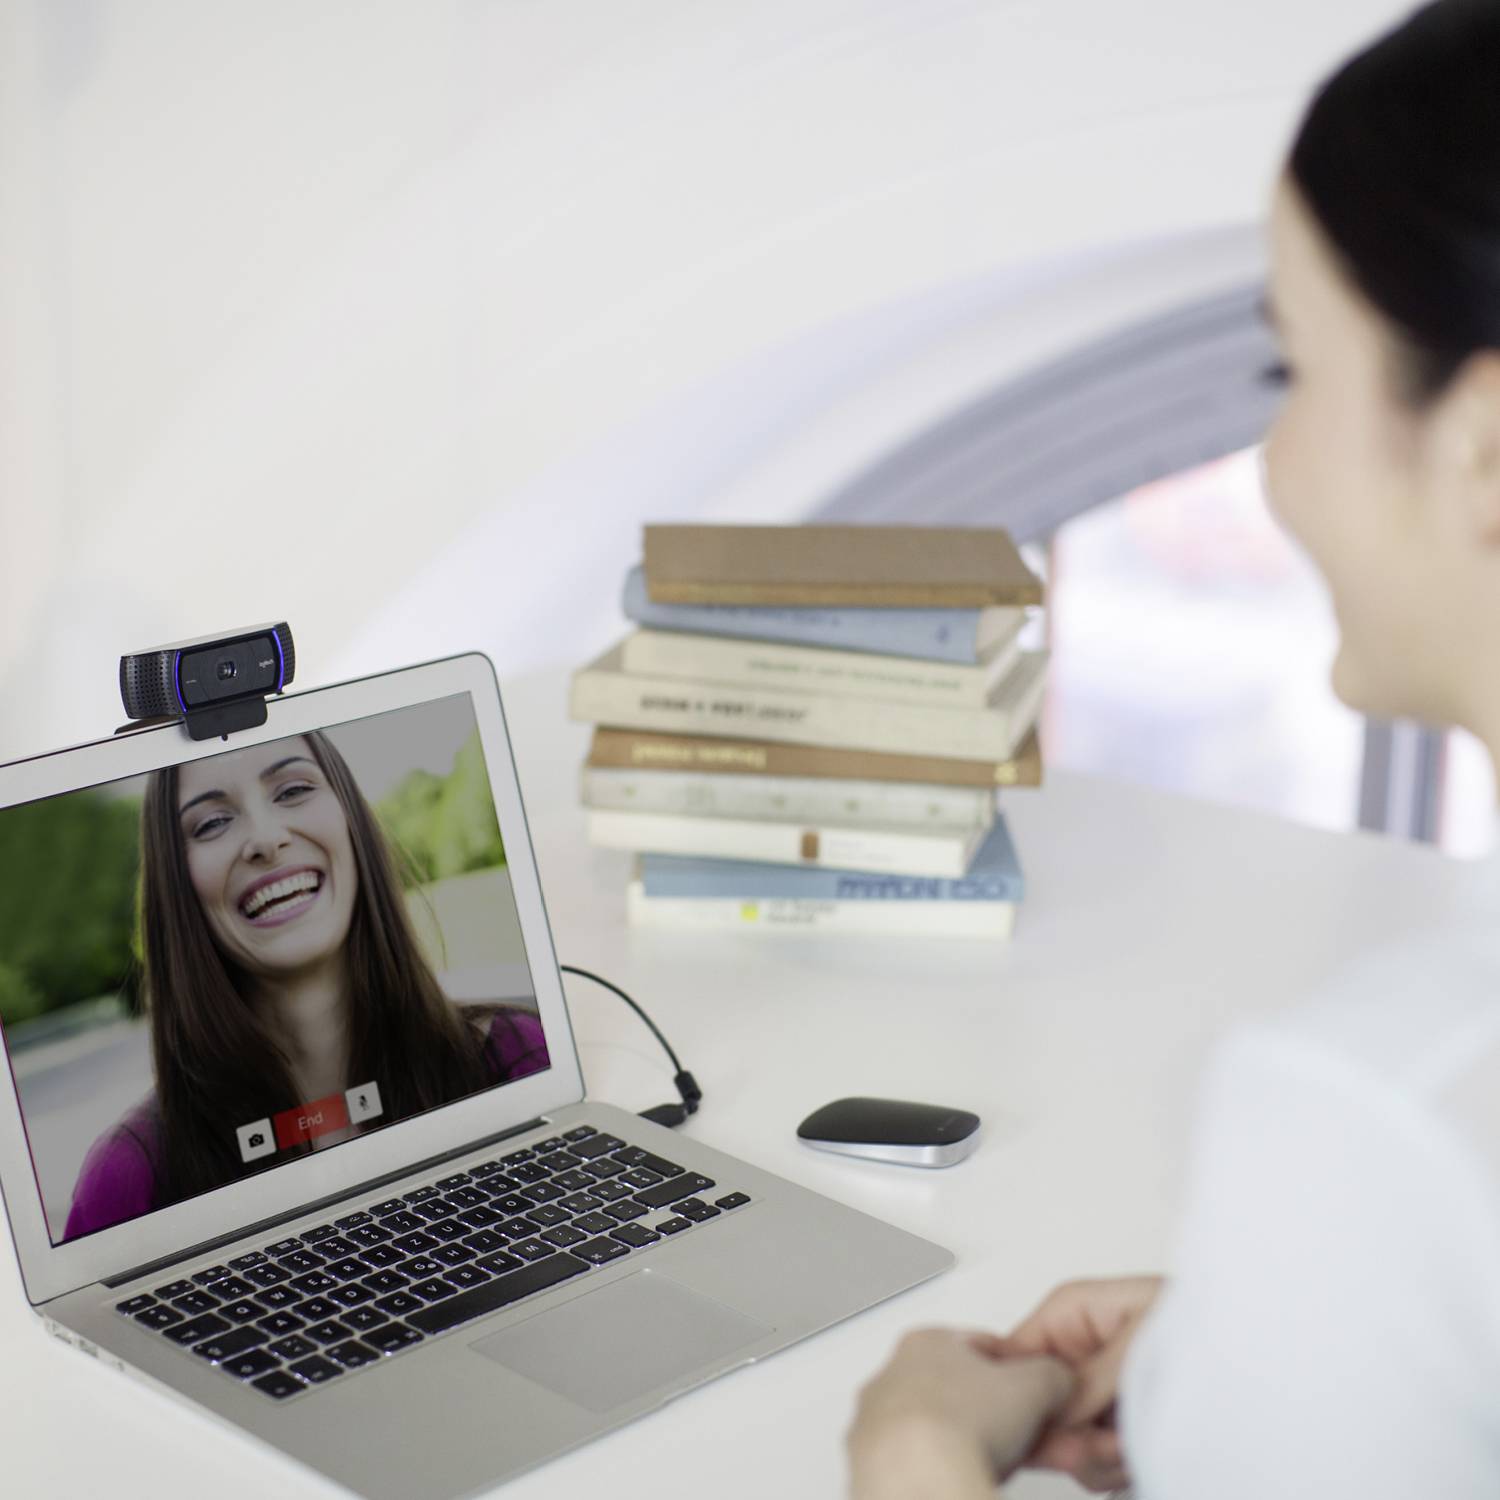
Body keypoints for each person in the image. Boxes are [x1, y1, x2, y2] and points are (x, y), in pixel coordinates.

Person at [848, 2, 1500, 1494]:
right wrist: (1276, 1352)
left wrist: (918, 1456)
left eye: (1293, 376)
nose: (1270, 461)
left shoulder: (1374, 1116)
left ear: (1481, 448)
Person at [63, 730, 547, 1240]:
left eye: (293, 790)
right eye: (212, 823)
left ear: (350, 819)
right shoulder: (128, 1177)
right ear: (176, 886)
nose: (266, 840)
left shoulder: (516, 1058)